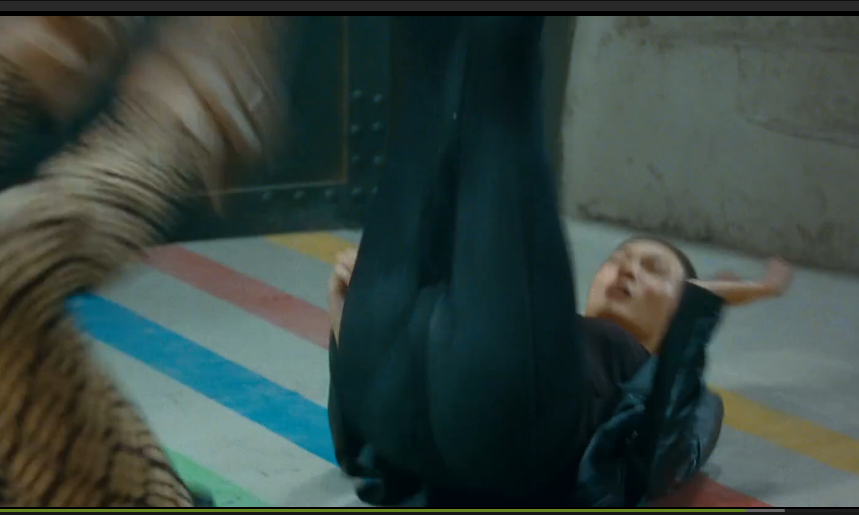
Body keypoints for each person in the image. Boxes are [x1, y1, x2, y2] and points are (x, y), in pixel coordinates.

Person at [324, 16, 793, 508]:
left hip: (506, 431)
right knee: (425, 92)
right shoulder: (537, 324)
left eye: (654, 269)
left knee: (493, 107)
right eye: (619, 260)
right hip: (398, 418)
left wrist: (696, 316)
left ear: (678, 308)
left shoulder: (670, 383)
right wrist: (345, 319)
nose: (627, 270)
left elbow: (660, 461)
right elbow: (355, 443)